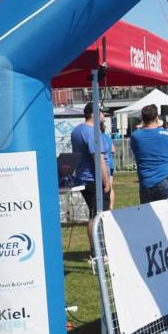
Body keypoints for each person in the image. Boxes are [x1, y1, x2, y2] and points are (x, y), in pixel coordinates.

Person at [71, 102, 112, 257]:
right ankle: (98, 251)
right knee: (98, 216)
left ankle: (96, 250)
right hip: (93, 179)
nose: (104, 115)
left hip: (83, 178)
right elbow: (98, 159)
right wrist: (106, 182)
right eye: (102, 112)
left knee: (94, 214)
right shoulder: (91, 132)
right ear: (94, 114)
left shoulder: (77, 130)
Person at [130, 104, 168, 203]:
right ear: (157, 118)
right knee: (167, 214)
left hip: (146, 181)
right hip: (166, 179)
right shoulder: (167, 134)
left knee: (148, 215)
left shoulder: (136, 136)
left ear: (142, 118)